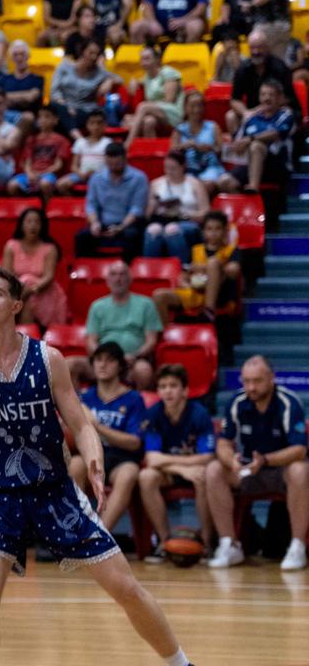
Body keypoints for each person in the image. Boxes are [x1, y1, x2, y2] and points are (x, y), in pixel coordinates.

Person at [0, 265, 193, 666]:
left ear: (17, 304)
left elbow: (81, 422)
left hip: (56, 493)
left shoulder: (48, 359)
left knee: (125, 586)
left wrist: (93, 458)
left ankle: (180, 662)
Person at [206, 356, 308, 571]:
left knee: (300, 470)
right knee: (215, 469)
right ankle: (229, 544)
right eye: (246, 381)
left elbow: (299, 450)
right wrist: (230, 460)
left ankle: (297, 546)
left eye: (257, 381)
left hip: (281, 470)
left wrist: (266, 460)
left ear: (272, 378)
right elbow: (223, 442)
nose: (251, 387)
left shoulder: (289, 403)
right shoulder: (237, 402)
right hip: (250, 470)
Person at [138, 363, 216, 562]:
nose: (167, 391)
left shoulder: (199, 414)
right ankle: (165, 543)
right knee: (146, 476)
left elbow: (207, 456)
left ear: (185, 390)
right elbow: (152, 458)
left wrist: (173, 464)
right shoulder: (154, 414)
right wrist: (181, 469)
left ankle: (207, 544)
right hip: (173, 471)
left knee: (203, 475)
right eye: (163, 386)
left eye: (173, 386)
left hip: (196, 470)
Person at [70, 342, 147, 534]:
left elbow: (134, 442)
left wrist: (97, 427)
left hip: (121, 458)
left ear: (120, 366)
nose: (102, 365)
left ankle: (100, 535)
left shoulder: (133, 399)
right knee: (74, 465)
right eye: (98, 360)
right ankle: (77, 532)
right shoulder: (85, 398)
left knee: (129, 473)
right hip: (90, 456)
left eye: (109, 360)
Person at [79, 260, 163, 389]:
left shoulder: (146, 304)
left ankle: (137, 407)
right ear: (107, 280)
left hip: (133, 361)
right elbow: (91, 341)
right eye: (113, 274)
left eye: (122, 274)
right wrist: (103, 358)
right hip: (104, 360)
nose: (118, 279)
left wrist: (135, 356)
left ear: (130, 279)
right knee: (70, 365)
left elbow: (151, 341)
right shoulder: (97, 306)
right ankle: (79, 406)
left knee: (144, 371)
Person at [152, 210, 242, 324]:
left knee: (213, 262)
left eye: (218, 228)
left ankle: (209, 311)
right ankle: (164, 338)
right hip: (195, 292)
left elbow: (234, 270)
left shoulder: (232, 250)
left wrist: (206, 268)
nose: (213, 232)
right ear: (203, 232)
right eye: (209, 229)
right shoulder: (195, 250)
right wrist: (189, 283)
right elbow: (182, 277)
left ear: (225, 231)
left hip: (220, 295)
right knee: (159, 295)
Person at [218, 79, 296, 193]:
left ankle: (253, 187)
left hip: (277, 165)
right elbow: (240, 142)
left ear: (280, 98)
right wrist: (236, 146)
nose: (267, 98)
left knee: (256, 146)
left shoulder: (285, 115)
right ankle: (250, 207)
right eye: (263, 94)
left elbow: (275, 134)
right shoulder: (252, 118)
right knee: (223, 182)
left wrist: (250, 139)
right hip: (250, 165)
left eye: (271, 94)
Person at [75, 142, 148, 261]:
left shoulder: (139, 178)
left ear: (125, 159)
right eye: (110, 164)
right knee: (82, 237)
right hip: (103, 223)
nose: (113, 167)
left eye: (117, 164)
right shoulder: (96, 178)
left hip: (127, 224)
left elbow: (137, 208)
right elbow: (91, 204)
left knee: (133, 236)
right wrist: (94, 223)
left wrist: (121, 227)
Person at [2, 207, 69, 328]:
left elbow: (49, 276)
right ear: (21, 225)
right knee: (25, 286)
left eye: (37, 222)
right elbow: (7, 275)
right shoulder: (11, 246)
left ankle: (24, 337)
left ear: (43, 225)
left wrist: (31, 289)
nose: (33, 225)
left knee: (28, 288)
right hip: (17, 290)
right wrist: (22, 290)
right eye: (29, 221)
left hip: (44, 291)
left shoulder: (50, 248)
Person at [228, 26, 300, 133]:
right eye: (252, 48)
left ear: (267, 47)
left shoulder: (280, 68)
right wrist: (245, 113)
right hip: (252, 111)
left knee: (288, 112)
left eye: (259, 47)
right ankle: (238, 146)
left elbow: (288, 98)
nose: (256, 52)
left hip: (277, 108)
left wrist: (261, 109)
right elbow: (235, 99)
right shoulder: (243, 69)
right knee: (230, 116)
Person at [142, 152, 208, 263]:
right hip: (161, 219)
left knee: (172, 230)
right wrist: (153, 204)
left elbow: (206, 212)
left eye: (173, 168)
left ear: (183, 166)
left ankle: (182, 268)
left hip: (187, 221)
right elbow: (147, 216)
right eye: (166, 168)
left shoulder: (195, 184)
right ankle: (150, 268)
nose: (169, 172)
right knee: (153, 230)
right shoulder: (156, 184)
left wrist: (185, 215)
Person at [51, 38, 122, 140]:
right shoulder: (64, 67)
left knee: (65, 119)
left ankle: (77, 139)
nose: (93, 57)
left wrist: (109, 81)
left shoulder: (99, 73)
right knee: (55, 108)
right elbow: (54, 92)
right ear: (82, 51)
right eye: (91, 53)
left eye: (96, 54)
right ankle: (78, 138)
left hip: (84, 111)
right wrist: (66, 107)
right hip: (63, 106)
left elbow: (119, 79)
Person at [126, 46, 185, 145]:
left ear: (157, 59)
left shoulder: (168, 73)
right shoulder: (148, 76)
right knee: (148, 122)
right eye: (142, 59)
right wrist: (133, 81)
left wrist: (136, 117)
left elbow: (169, 100)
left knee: (143, 106)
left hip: (173, 112)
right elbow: (139, 82)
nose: (143, 62)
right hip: (157, 114)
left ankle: (128, 144)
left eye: (147, 59)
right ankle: (150, 154)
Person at [8, 105, 71, 197]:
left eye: (47, 116)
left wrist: (41, 173)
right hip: (31, 174)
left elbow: (58, 165)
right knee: (12, 185)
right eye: (40, 116)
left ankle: (48, 208)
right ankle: (23, 208)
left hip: (49, 174)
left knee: (45, 184)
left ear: (55, 120)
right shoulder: (31, 139)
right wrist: (29, 173)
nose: (42, 119)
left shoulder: (61, 140)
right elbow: (27, 162)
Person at [172, 91, 227, 191]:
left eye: (200, 106)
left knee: (207, 185)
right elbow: (172, 155)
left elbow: (223, 152)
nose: (196, 110)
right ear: (185, 108)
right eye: (192, 106)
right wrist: (185, 146)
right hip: (188, 171)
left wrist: (211, 148)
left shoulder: (213, 127)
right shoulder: (179, 130)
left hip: (211, 168)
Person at [133, 0, 208, 44]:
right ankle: (147, 55)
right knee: (137, 27)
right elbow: (147, 4)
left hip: (185, 22)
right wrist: (153, 22)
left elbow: (202, 6)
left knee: (196, 26)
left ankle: (187, 56)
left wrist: (183, 20)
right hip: (160, 23)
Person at [58, 110, 112, 192]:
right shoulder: (80, 142)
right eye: (92, 123)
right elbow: (74, 166)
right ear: (87, 125)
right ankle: (74, 204)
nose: (96, 126)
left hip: (101, 175)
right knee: (61, 184)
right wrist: (80, 173)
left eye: (99, 123)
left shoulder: (108, 142)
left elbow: (110, 166)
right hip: (81, 175)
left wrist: (95, 173)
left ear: (105, 125)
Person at [0, 40, 45, 122]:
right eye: (15, 54)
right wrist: (24, 96)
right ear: (11, 58)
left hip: (29, 118)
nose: (19, 58)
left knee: (27, 118)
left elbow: (30, 97)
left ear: (28, 56)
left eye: (22, 54)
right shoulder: (2, 79)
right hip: (5, 116)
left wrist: (7, 96)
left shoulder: (37, 79)